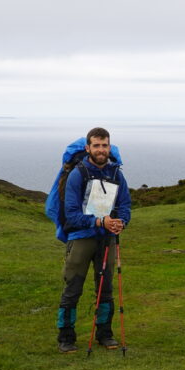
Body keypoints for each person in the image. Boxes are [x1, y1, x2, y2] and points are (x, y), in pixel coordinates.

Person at [56, 127, 132, 354]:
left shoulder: (116, 174)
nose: (101, 150)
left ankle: (105, 334)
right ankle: (66, 337)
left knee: (105, 289)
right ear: (88, 148)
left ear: (110, 147)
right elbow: (71, 214)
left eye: (104, 145)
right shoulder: (77, 174)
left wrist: (121, 222)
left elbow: (125, 205)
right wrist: (99, 222)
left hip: (107, 238)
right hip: (81, 237)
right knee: (73, 288)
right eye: (96, 145)